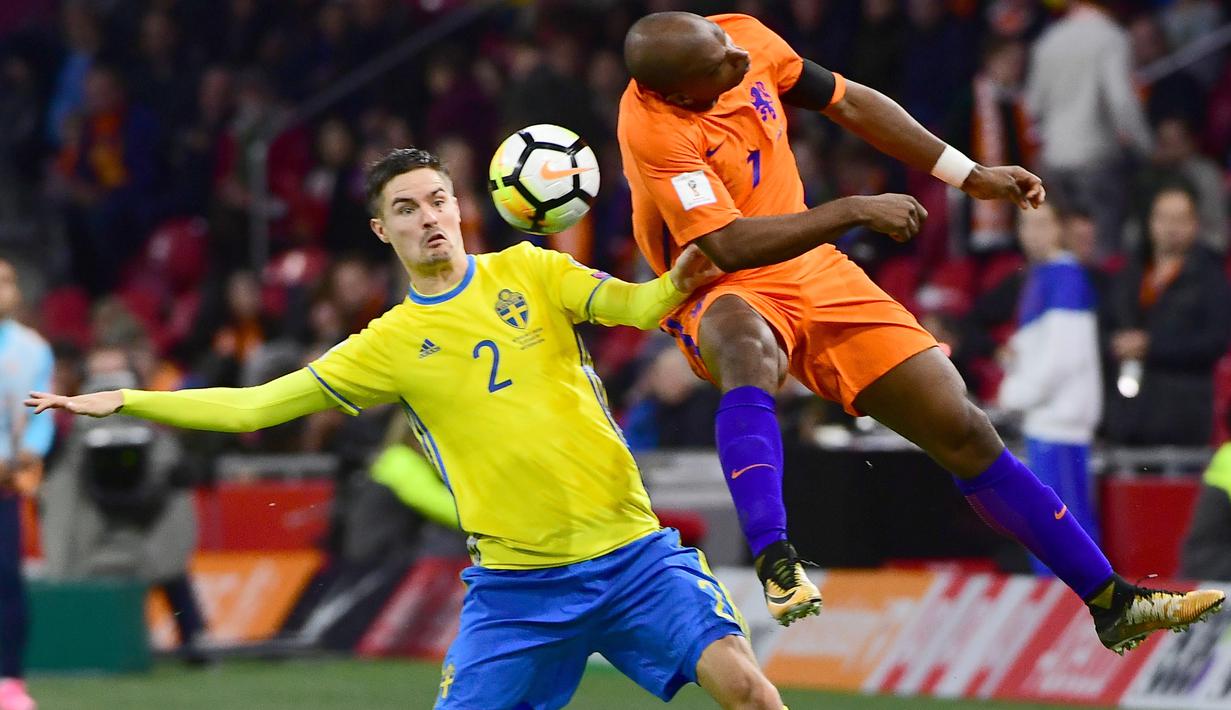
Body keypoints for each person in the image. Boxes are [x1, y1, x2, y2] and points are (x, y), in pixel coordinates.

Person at [28, 148, 788, 710]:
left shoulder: (532, 270)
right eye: (406, 209)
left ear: (459, 206)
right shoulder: (385, 345)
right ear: (381, 230)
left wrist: (679, 280)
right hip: (516, 590)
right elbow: (255, 406)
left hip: (631, 560)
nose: (428, 217)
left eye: (436, 200)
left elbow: (641, 306)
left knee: (749, 692)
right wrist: (129, 402)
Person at [616, 10, 1223, 652]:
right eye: (719, 67)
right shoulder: (654, 128)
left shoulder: (742, 38)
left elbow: (853, 104)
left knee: (960, 425)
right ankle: (775, 558)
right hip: (716, 280)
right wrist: (851, 210)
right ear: (681, 93)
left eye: (729, 49)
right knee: (746, 348)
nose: (738, 61)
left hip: (813, 268)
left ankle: (1113, 601)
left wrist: (968, 174)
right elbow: (729, 244)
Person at [997, 203, 1103, 570]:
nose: (1033, 233)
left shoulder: (1065, 277)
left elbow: (1063, 358)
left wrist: (1014, 394)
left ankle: (1082, 617)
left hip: (1059, 425)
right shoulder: (1042, 276)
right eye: (1026, 225)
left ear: (1060, 228)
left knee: (1063, 533)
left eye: (1042, 223)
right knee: (1048, 531)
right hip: (1045, 422)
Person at [1103, 184, 1231, 446]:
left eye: (1180, 219)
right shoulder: (1130, 274)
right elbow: (1103, 324)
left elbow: (1216, 341)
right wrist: (1114, 343)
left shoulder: (1211, 279)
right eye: (1163, 218)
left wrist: (1152, 346)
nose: (1171, 227)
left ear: (1195, 224)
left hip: (1182, 411)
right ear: (1150, 222)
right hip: (1127, 412)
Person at [0, 258, 54, 710]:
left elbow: (40, 410)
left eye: (6, 281)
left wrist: (30, 454)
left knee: (7, 582)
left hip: (4, 485)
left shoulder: (33, 348)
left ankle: (10, 681)